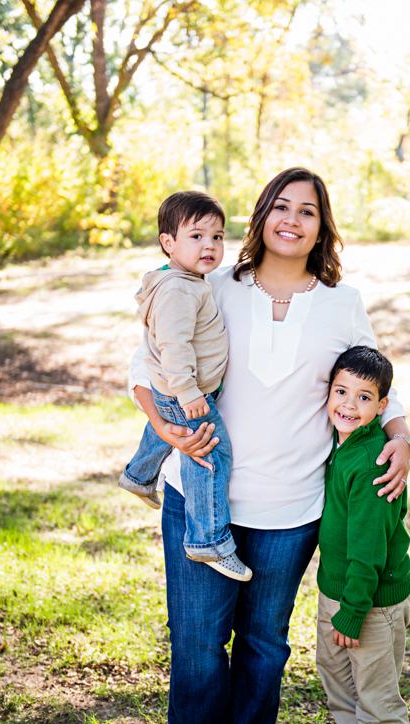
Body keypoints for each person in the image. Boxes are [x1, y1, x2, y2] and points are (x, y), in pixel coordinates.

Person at [128, 167, 410, 724]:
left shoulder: (342, 304)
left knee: (263, 642)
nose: (292, 219)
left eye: (307, 211)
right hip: (200, 496)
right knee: (199, 640)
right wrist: (164, 427)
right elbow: (146, 359)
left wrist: (401, 437)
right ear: (261, 217)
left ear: (322, 227)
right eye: (280, 206)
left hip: (292, 507)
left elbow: (376, 380)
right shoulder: (213, 282)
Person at [119, 191, 251, 581]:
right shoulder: (179, 289)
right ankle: (207, 540)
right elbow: (173, 346)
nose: (209, 245)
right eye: (196, 236)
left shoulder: (187, 280)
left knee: (167, 431)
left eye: (218, 236)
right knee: (210, 454)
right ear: (168, 243)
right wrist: (189, 392)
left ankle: (138, 476)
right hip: (184, 391)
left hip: (174, 389)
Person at [315, 346, 410, 724]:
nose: (349, 404)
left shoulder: (374, 460)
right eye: (341, 392)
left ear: (383, 405)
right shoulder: (340, 445)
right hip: (335, 594)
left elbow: (370, 550)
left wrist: (352, 611)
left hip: (370, 602)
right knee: (341, 693)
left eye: (364, 396)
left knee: (376, 699)